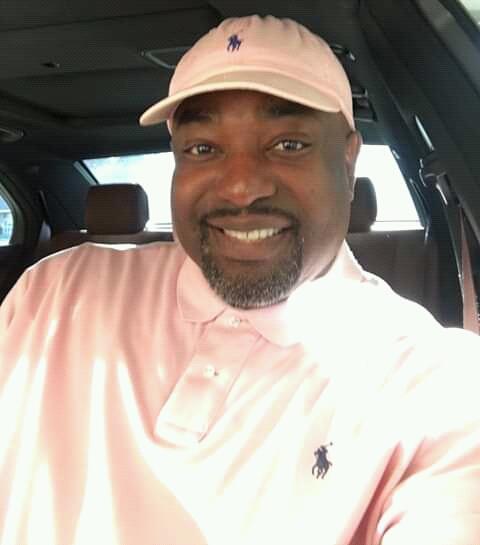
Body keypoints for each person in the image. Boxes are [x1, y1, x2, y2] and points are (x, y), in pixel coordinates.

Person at [0, 14, 479, 545]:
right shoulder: (56, 291)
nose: (241, 187)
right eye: (203, 148)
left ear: (348, 161)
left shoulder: (436, 385)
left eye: (288, 144)